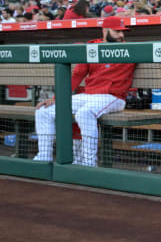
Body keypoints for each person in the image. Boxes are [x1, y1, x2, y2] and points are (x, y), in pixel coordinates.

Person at [33, 17, 135, 166]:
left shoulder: (131, 49)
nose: (121, 35)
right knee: (43, 110)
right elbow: (77, 75)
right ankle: (44, 157)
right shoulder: (91, 47)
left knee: (84, 113)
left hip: (113, 97)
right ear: (105, 31)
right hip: (89, 96)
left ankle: (89, 163)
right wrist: (57, 98)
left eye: (123, 32)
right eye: (117, 31)